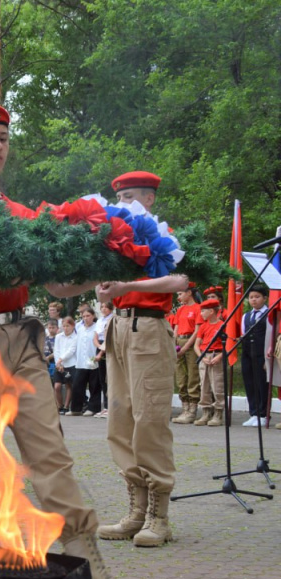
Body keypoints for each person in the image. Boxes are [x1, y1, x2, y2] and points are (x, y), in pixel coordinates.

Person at [0, 105, 166, 579]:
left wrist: (111, 260)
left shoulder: (26, 216)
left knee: (52, 459)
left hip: (23, 342)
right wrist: (0, 271)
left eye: (3, 138)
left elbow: (57, 285)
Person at [96, 170, 188, 551]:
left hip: (149, 329)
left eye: (131, 196)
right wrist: (103, 289)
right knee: (120, 419)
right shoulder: (116, 242)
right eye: (119, 197)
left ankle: (159, 516)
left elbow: (180, 281)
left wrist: (127, 287)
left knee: (149, 419)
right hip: (119, 329)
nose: (124, 204)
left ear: (149, 200)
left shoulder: (164, 236)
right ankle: (135, 509)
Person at [171, 283, 202, 424]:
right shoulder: (181, 309)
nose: (179, 297)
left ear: (189, 293)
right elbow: (176, 329)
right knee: (181, 377)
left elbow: (197, 331)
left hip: (190, 343)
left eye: (180, 294)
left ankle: (192, 410)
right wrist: (174, 344)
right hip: (179, 343)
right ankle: (184, 408)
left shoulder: (198, 308)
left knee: (192, 376)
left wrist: (185, 347)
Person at [240, 283, 270, 426]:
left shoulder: (270, 314)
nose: (253, 300)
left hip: (262, 354)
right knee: (250, 382)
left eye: (257, 297)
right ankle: (254, 413)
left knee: (261, 383)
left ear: (265, 298)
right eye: (251, 297)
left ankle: (263, 414)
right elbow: (243, 333)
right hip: (247, 353)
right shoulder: (246, 316)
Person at [193, 299, 226, 427]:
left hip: (216, 355)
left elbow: (228, 344)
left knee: (217, 385)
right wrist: (201, 357)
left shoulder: (222, 325)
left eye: (203, 311)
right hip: (205, 356)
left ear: (212, 311)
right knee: (204, 385)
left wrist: (220, 357)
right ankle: (206, 412)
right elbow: (197, 345)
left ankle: (218, 413)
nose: (201, 313)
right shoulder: (203, 326)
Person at [70, 309, 101, 416]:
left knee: (94, 386)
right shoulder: (79, 328)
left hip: (93, 361)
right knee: (77, 385)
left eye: (88, 316)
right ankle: (76, 408)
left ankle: (93, 408)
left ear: (93, 316)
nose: (86, 318)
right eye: (84, 316)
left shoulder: (97, 327)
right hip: (81, 362)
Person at [93, 302, 114, 418]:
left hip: (108, 346)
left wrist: (101, 352)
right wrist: (98, 347)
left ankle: (111, 407)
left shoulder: (112, 319)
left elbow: (108, 338)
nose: (104, 309)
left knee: (108, 378)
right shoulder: (100, 321)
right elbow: (95, 337)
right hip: (100, 346)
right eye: (102, 307)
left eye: (106, 307)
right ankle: (105, 406)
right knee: (102, 378)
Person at [53, 317, 77, 415]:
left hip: (70, 364)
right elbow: (56, 350)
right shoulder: (59, 336)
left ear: (73, 326)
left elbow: (71, 351)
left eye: (68, 326)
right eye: (64, 326)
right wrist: (58, 363)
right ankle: (60, 405)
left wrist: (61, 360)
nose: (66, 328)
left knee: (68, 385)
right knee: (57, 386)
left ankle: (66, 406)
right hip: (59, 364)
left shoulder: (76, 337)